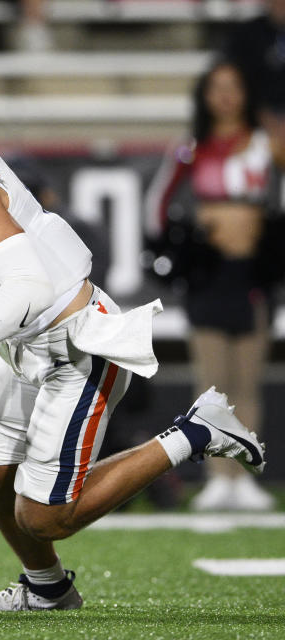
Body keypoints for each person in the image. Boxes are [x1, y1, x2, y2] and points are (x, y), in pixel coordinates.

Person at [0, 50, 267, 611]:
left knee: (46, 515)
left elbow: (29, 286)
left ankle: (197, 430)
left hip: (76, 339)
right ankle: (47, 588)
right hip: (18, 343)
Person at [145, 61, 280, 511]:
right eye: (216, 88)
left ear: (246, 93)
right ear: (205, 96)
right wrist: (179, 251)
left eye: (233, 87)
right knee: (212, 381)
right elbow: (157, 204)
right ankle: (216, 477)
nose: (225, 97)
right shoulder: (191, 148)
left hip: (251, 275)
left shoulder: (267, 144)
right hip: (209, 275)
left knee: (247, 380)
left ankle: (246, 477)